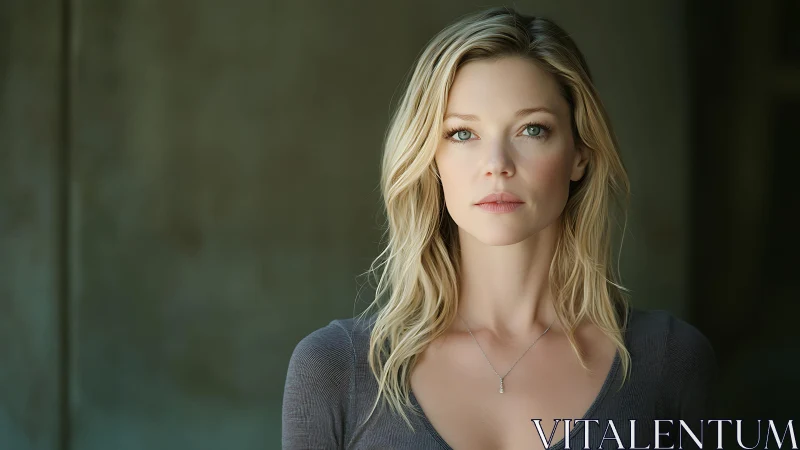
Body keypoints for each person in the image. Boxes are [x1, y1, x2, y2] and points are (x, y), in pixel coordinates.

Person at [282, 6, 717, 450]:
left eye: (532, 129)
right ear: (430, 159)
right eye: (462, 134)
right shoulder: (335, 369)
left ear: (580, 153)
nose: (497, 166)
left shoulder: (670, 361)